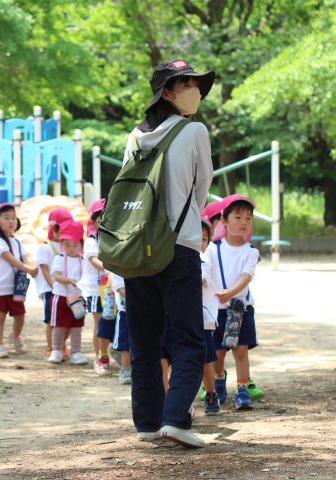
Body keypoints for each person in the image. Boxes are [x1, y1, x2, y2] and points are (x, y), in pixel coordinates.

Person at [123, 59, 215, 448]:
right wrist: (181, 218)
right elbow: (202, 188)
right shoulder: (194, 131)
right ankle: (176, 418)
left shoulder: (134, 135)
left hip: (137, 248)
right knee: (188, 337)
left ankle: (147, 422)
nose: (194, 89)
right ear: (168, 91)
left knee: (144, 339)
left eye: (195, 82)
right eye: (186, 83)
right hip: (178, 246)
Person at [206, 194, 261, 411]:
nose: (243, 223)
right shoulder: (213, 248)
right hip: (217, 310)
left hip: (241, 309)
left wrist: (231, 293)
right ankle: (219, 380)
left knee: (240, 351)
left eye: (248, 218)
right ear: (224, 221)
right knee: (218, 352)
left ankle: (242, 389)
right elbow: (206, 271)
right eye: (237, 217)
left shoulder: (251, 252)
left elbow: (246, 276)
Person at [0, 203, 38, 359]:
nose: (11, 221)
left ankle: (15, 337)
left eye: (13, 218)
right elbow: (11, 260)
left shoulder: (18, 242)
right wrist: (29, 270)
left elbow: (24, 258)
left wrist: (31, 267)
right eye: (6, 217)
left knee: (20, 315)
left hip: (16, 287)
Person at [35, 208, 74, 359]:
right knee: (52, 321)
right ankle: (52, 348)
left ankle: (59, 344)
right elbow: (44, 270)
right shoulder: (45, 247)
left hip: (68, 290)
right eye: (59, 227)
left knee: (70, 320)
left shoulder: (70, 245)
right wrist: (53, 286)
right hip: (50, 289)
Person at [49, 221, 89, 365]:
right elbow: (56, 276)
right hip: (60, 296)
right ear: (62, 244)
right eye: (67, 244)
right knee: (59, 326)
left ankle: (76, 352)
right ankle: (56, 350)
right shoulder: (58, 259)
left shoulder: (84, 261)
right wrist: (68, 280)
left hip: (78, 298)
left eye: (75, 245)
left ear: (81, 245)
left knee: (76, 327)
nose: (71, 248)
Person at [78, 199, 109, 373]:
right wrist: (112, 267)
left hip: (113, 289)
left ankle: (109, 353)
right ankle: (100, 358)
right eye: (100, 218)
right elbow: (93, 260)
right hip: (96, 290)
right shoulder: (91, 241)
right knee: (100, 322)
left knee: (113, 321)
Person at [200, 217, 221, 415]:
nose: (200, 242)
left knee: (206, 361)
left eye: (205, 239)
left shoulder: (205, 258)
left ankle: (211, 392)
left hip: (202, 320)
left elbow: (202, 278)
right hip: (179, 319)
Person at [111, 274, 132, 385]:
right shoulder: (117, 271)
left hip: (143, 311)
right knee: (126, 344)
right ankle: (125, 369)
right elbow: (121, 290)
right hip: (125, 311)